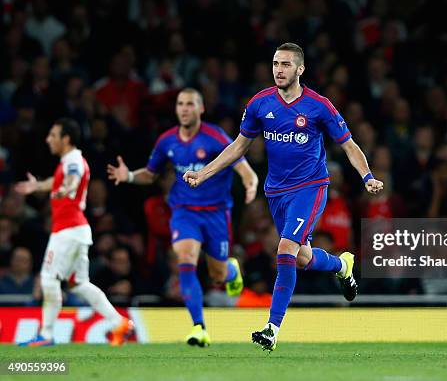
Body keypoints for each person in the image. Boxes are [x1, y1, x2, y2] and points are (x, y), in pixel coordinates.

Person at [183, 43, 384, 351]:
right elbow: (239, 146)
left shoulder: (319, 106)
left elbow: (348, 144)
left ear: (300, 69)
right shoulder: (260, 104)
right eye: (276, 63)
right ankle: (341, 266)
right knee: (301, 257)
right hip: (276, 192)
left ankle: (271, 328)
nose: (279, 69)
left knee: (285, 249)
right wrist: (204, 173)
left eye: (286, 64)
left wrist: (367, 177)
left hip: (311, 187)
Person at [107, 88, 258, 347]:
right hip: (184, 212)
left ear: (200, 109)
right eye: (180, 104)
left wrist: (250, 182)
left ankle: (232, 271)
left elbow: (242, 166)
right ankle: (198, 327)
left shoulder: (215, 137)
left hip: (216, 214)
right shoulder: (167, 141)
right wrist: (130, 176)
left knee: (217, 274)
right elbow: (152, 174)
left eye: (190, 104)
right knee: (185, 259)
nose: (184, 108)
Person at [15, 118, 133, 347]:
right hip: (77, 230)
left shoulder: (73, 161)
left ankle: (47, 335)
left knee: (48, 279)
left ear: (65, 138)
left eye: (53, 135)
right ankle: (119, 322)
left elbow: (72, 178)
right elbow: (60, 179)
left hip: (67, 231)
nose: (48, 139)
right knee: (79, 284)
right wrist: (38, 186)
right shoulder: (70, 160)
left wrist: (67, 188)